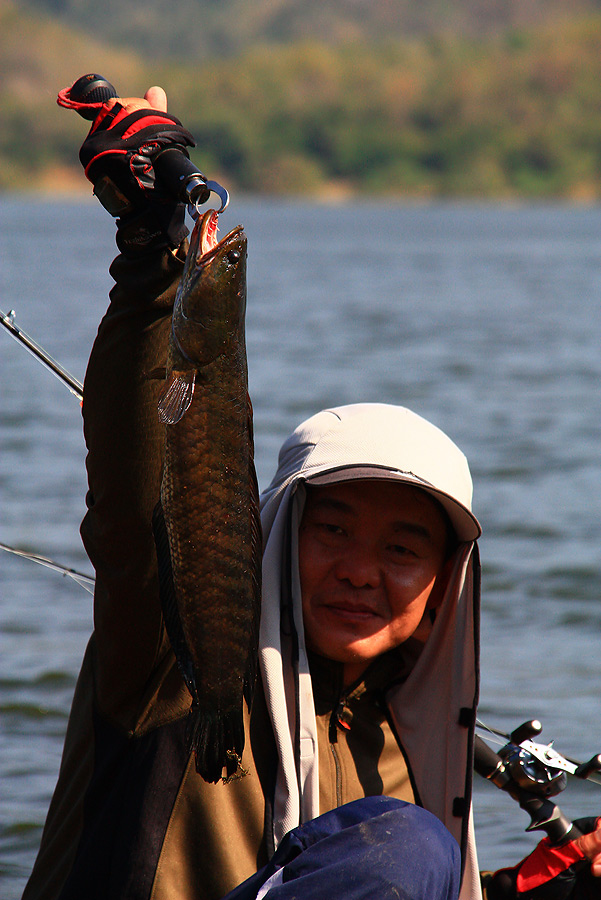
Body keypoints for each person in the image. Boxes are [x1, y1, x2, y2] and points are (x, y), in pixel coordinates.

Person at [23, 86, 601, 900]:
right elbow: (133, 481)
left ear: (444, 588)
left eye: (402, 549)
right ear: (274, 535)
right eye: (331, 530)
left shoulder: (403, 747)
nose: (362, 571)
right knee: (408, 846)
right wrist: (152, 249)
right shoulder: (169, 658)